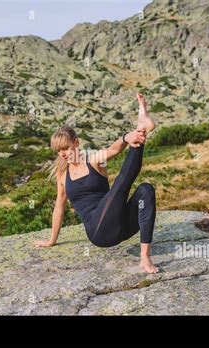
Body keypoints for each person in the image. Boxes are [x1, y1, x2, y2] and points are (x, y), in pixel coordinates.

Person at [34, 93, 158, 273]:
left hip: (123, 226)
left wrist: (126, 138)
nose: (62, 153)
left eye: (65, 148)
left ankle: (145, 257)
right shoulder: (62, 175)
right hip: (99, 231)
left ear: (76, 143)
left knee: (146, 189)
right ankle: (142, 128)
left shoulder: (93, 160)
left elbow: (114, 149)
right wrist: (51, 240)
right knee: (121, 184)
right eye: (58, 150)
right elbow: (59, 208)